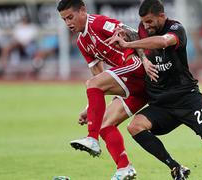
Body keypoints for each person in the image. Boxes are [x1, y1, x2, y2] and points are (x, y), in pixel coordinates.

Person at [107, 0, 202, 179]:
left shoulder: (176, 29)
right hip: (161, 103)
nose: (146, 26)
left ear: (162, 16)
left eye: (150, 21)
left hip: (187, 99)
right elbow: (140, 39)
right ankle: (175, 167)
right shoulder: (144, 29)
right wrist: (139, 51)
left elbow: (162, 42)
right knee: (135, 126)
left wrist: (127, 44)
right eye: (143, 22)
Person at [57, 0, 148, 179]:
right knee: (105, 124)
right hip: (131, 83)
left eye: (70, 17)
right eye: (64, 20)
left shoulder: (98, 23)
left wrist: (146, 59)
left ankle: (91, 138)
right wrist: (89, 108)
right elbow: (98, 79)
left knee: (92, 86)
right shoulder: (82, 43)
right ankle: (124, 168)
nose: (68, 23)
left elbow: (134, 34)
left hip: (137, 68)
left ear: (82, 10)